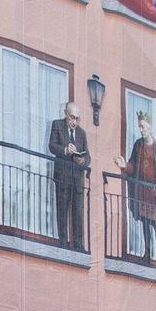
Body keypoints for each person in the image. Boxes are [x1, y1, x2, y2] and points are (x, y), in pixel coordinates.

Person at [116, 111, 156, 262]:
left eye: (143, 126)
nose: (141, 130)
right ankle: (147, 254)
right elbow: (133, 166)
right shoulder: (138, 145)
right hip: (143, 191)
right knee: (145, 224)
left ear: (150, 128)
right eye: (139, 126)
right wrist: (124, 166)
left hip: (155, 195)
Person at [46, 101, 89, 246]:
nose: (75, 122)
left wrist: (83, 161)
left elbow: (88, 156)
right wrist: (65, 150)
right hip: (62, 177)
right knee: (62, 211)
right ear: (65, 113)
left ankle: (78, 245)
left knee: (78, 214)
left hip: (77, 180)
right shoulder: (57, 125)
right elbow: (52, 146)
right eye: (72, 118)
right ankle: (63, 243)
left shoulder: (82, 133)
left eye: (77, 119)